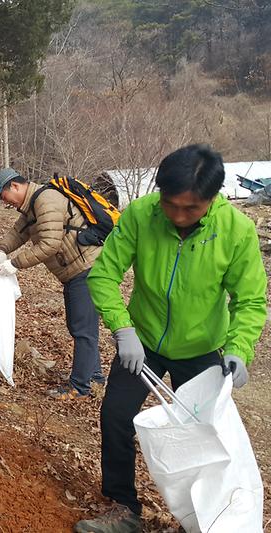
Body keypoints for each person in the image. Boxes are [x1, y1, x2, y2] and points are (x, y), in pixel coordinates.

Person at [75, 144, 267, 533]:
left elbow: (249, 300)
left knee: (201, 438)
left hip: (200, 351)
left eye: (190, 208)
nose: (178, 216)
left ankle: (200, 518)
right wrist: (122, 328)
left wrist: (238, 350)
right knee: (115, 416)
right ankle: (123, 506)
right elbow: (103, 275)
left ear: (211, 200)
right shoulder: (142, 215)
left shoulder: (236, 231)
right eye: (171, 205)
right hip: (141, 343)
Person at [0, 168, 105, 400]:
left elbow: (50, 244)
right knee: (81, 326)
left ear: (14, 186)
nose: (6, 203)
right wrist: (2, 250)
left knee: (82, 328)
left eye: (3, 197)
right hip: (75, 271)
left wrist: (16, 263)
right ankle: (93, 377)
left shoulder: (46, 200)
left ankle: (80, 387)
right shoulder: (33, 204)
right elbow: (18, 232)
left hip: (87, 269)